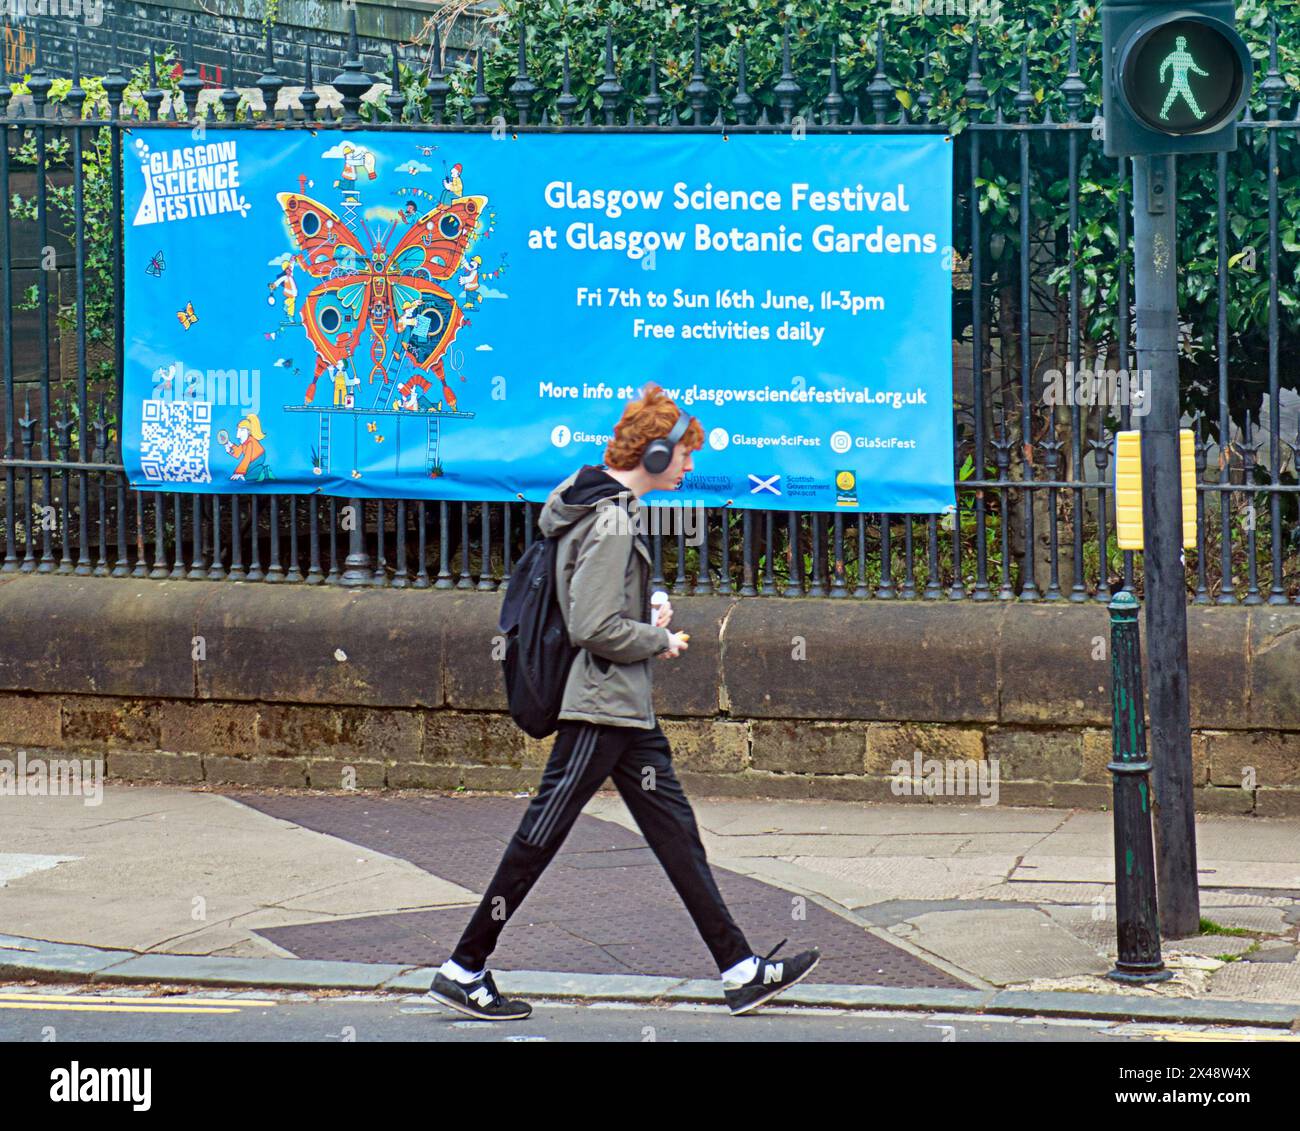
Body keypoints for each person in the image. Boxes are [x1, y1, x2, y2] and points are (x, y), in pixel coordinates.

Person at [428, 384, 819, 1021]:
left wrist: (645, 608)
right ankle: (464, 966)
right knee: (541, 834)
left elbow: (597, 605)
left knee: (676, 836)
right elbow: (592, 626)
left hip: (621, 710)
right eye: (685, 455)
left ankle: (740, 969)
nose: (691, 467)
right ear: (658, 455)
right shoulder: (611, 517)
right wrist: (657, 636)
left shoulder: (599, 508)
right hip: (598, 706)